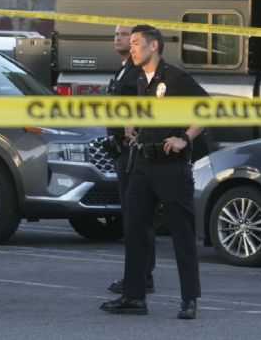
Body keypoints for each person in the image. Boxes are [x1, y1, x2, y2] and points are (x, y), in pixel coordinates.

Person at [100, 25, 207, 320]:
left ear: (154, 46)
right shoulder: (141, 80)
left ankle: (189, 300)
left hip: (171, 166)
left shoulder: (175, 77)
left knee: (181, 234)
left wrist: (184, 138)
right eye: (130, 43)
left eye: (136, 43)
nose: (131, 48)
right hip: (142, 166)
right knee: (134, 230)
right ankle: (134, 297)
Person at [103, 25, 155, 296]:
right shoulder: (123, 69)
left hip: (132, 152)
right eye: (118, 35)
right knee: (130, 217)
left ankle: (141, 276)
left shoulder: (137, 72)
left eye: (127, 36)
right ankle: (138, 274)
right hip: (119, 152)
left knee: (136, 217)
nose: (120, 39)